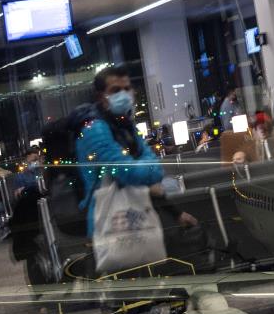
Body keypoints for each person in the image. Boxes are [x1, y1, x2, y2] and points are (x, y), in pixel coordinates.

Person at [77, 65, 196, 239]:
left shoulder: (126, 126)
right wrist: (146, 173)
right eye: (116, 90)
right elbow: (128, 173)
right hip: (108, 223)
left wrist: (175, 212)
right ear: (102, 97)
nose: (123, 94)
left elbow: (155, 167)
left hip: (137, 216)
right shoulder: (95, 129)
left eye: (127, 88)